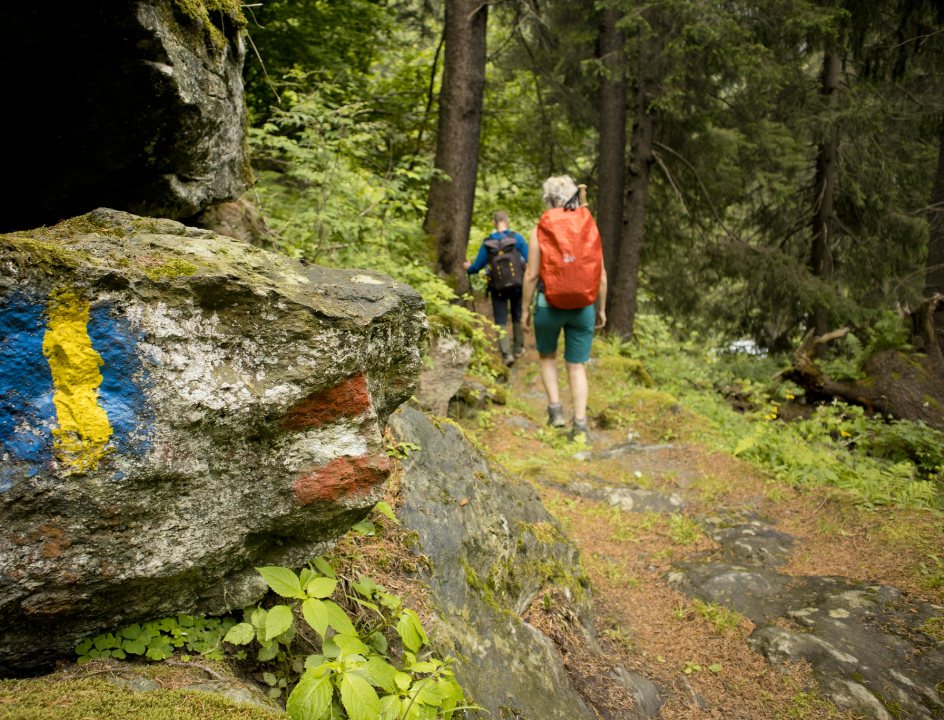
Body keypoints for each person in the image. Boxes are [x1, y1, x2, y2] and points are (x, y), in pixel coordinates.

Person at [521, 176, 607, 440]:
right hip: (583, 306)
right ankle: (580, 424)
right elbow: (601, 274)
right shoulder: (588, 225)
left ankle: (556, 412)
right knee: (577, 366)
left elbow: (531, 275)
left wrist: (524, 309)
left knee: (548, 357)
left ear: (548, 199)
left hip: (548, 305)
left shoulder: (541, 228)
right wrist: (601, 308)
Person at [464, 211, 529, 365]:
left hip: (497, 287)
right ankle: (518, 349)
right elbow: (529, 260)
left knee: (500, 319)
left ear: (494, 223)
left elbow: (475, 268)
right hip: (517, 286)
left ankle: (506, 355)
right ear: (508, 221)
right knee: (517, 315)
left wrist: (468, 267)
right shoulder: (517, 239)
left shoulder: (488, 243)